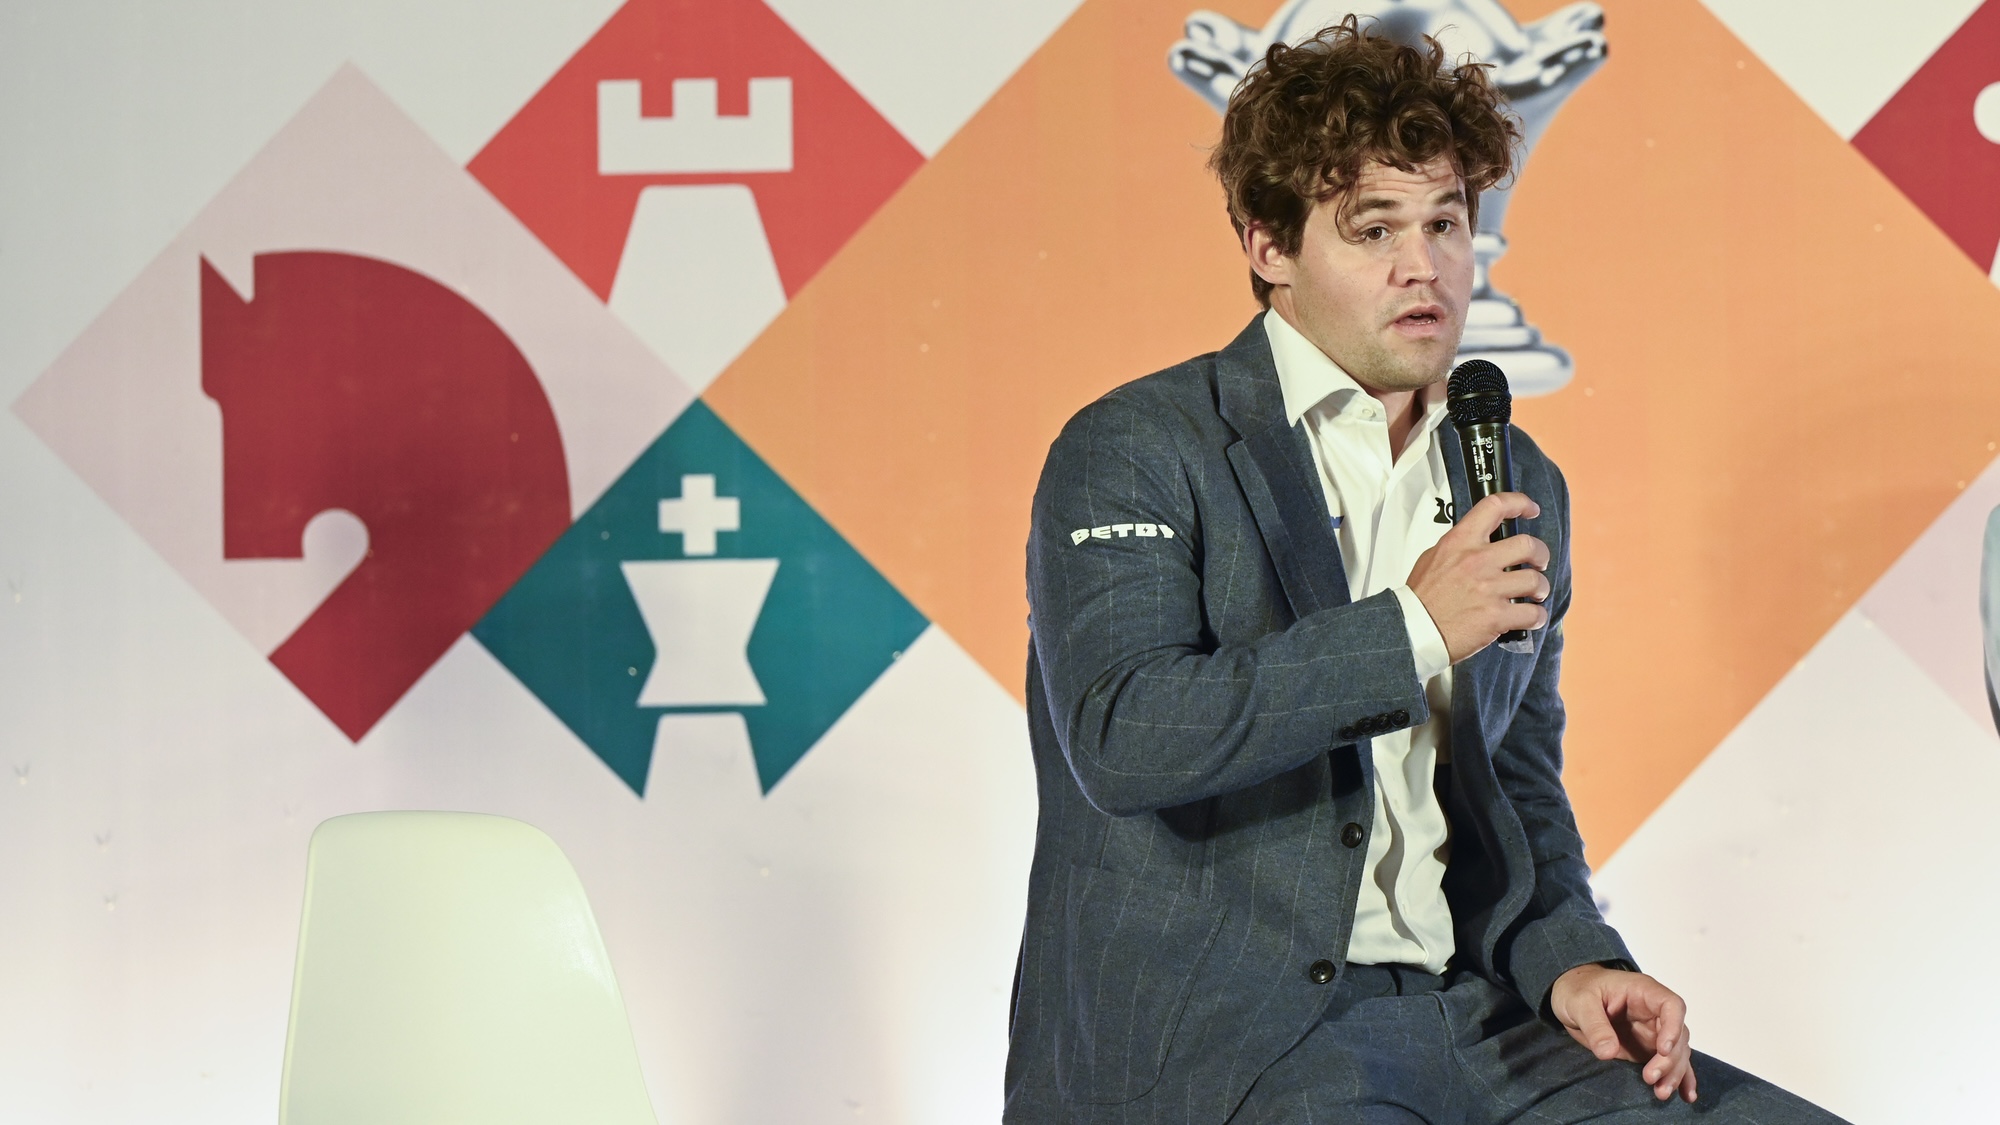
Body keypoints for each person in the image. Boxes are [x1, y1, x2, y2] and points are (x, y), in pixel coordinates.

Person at [1005, 17, 1844, 1124]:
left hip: (1474, 1017)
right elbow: (1126, 734)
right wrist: (1411, 628)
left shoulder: (1516, 473)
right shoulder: (1139, 445)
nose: (1424, 266)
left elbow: (1517, 780)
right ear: (1268, 247)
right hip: (1235, 1037)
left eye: (1445, 222)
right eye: (1373, 229)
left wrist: (1571, 959)